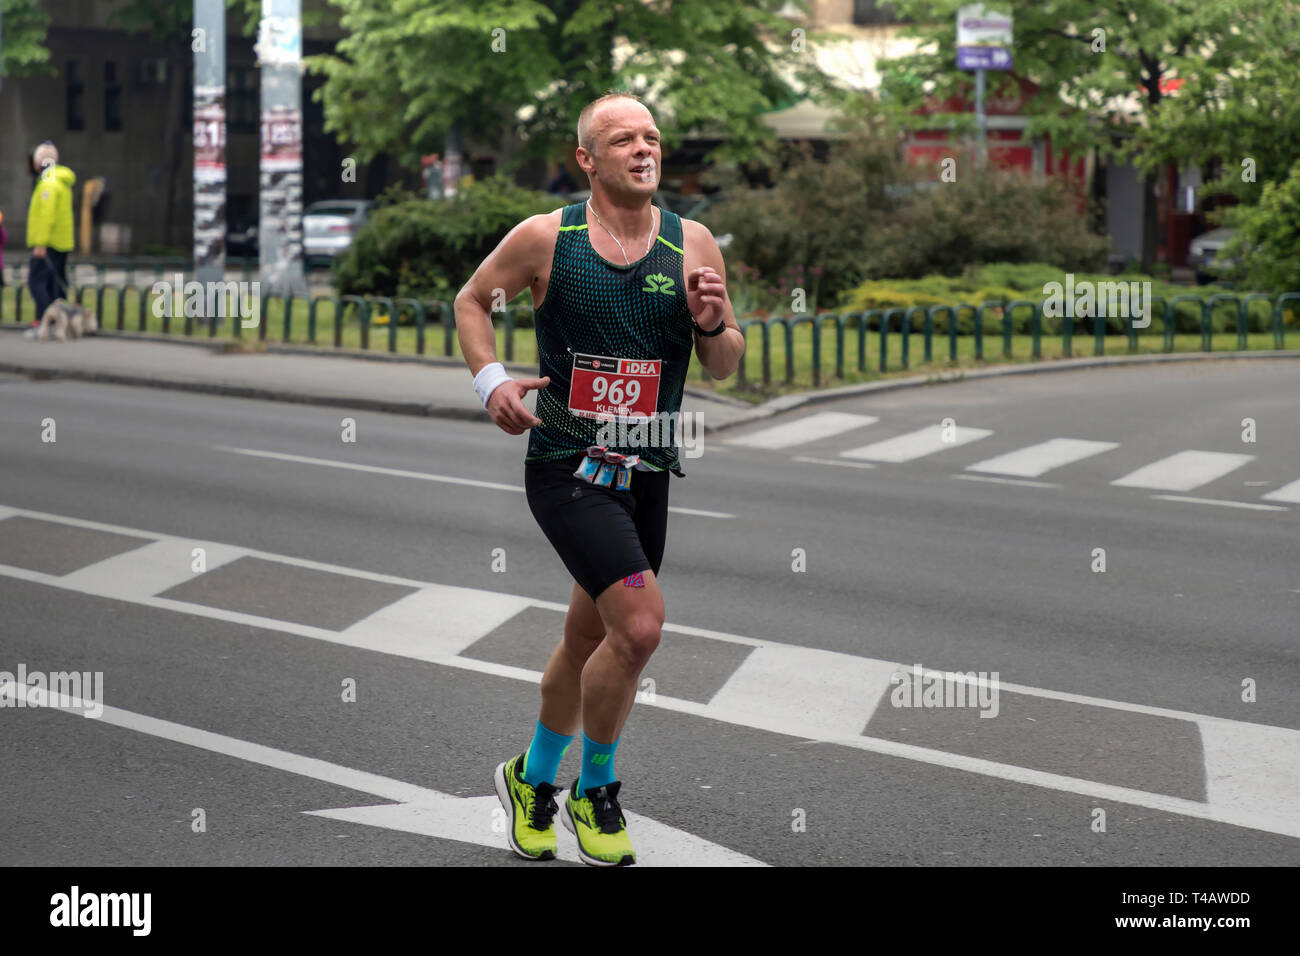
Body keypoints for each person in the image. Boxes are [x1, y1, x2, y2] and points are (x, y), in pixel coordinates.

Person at [455, 92, 744, 866]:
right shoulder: (548, 239)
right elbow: (472, 301)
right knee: (641, 625)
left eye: (652, 137)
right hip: (567, 467)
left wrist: (715, 323)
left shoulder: (692, 243)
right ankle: (597, 790)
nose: (645, 150)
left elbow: (724, 362)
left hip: (647, 470)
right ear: (588, 158)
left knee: (592, 634)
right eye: (624, 140)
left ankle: (530, 777)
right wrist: (493, 384)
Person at [25, 142, 76, 336]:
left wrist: (41, 244)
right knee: (54, 284)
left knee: (37, 282)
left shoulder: (48, 184)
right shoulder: (61, 181)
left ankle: (47, 323)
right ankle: (60, 324)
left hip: (49, 243)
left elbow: (47, 217)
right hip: (62, 242)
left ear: (39, 163)